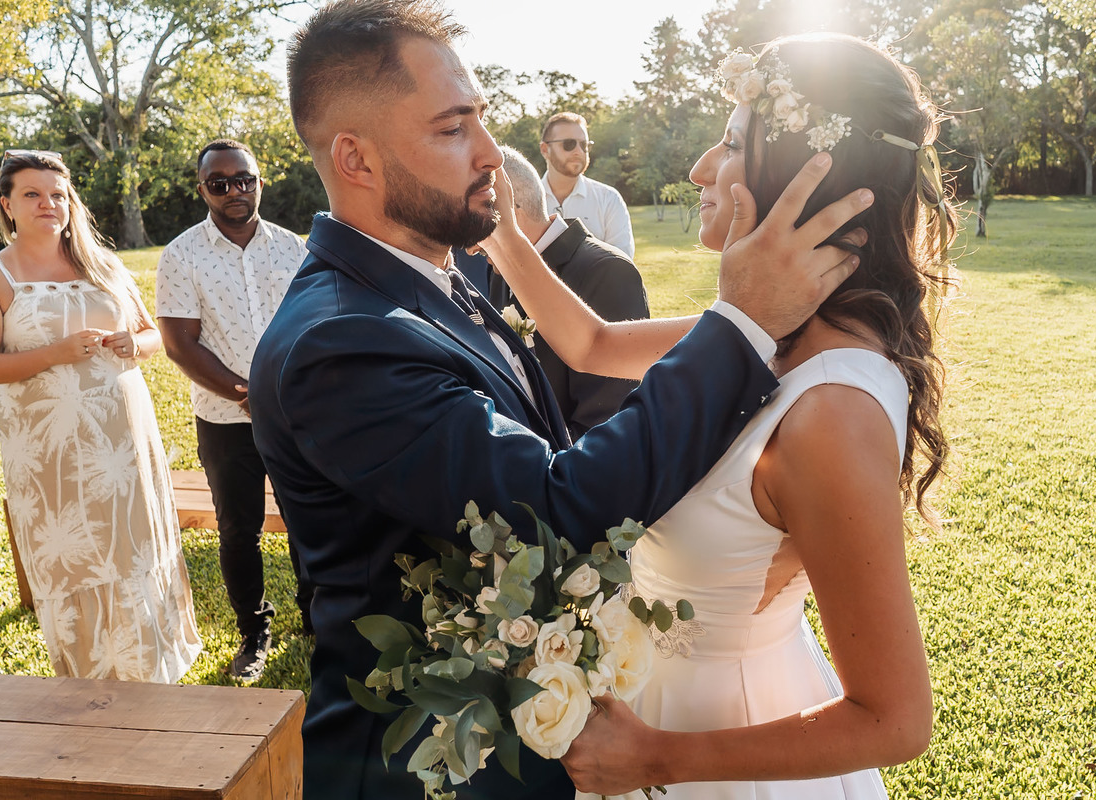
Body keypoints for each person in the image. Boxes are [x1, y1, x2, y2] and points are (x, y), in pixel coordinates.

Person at [248, 2, 870, 798]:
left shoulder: (433, 275)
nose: (489, 153)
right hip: (433, 767)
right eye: (453, 128)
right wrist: (741, 322)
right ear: (356, 159)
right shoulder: (341, 342)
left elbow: (581, 365)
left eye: (481, 118)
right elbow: (553, 502)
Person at [503, 34, 956, 799]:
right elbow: (592, 343)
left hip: (721, 750)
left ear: (810, 179)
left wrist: (653, 759)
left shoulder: (833, 411)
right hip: (653, 705)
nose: (699, 169)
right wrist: (500, 233)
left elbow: (897, 720)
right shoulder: (760, 332)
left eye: (732, 143)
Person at [0, 150, 202, 682]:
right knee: (77, 554)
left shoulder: (104, 265)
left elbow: (152, 336)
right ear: (7, 204)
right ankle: (93, 683)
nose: (47, 204)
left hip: (123, 439)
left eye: (58, 194)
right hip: (50, 448)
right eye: (32, 194)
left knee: (134, 544)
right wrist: (56, 353)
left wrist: (133, 343)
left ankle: (154, 672)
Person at [156, 139, 312, 684]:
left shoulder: (294, 248)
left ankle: (317, 620)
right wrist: (247, 394)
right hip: (225, 419)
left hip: (296, 414)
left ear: (260, 182)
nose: (234, 191)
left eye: (243, 179)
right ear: (202, 190)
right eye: (219, 184)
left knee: (307, 519)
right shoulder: (181, 255)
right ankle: (254, 631)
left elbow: (315, 325)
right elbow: (180, 344)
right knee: (238, 530)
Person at [489, 145, 649, 438]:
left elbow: (607, 419)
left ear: (509, 213)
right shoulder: (500, 268)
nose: (468, 248)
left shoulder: (608, 272)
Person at [540, 111, 636, 257]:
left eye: (584, 145)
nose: (579, 151)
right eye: (569, 144)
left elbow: (621, 261)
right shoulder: (521, 202)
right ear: (545, 149)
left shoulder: (609, 199)